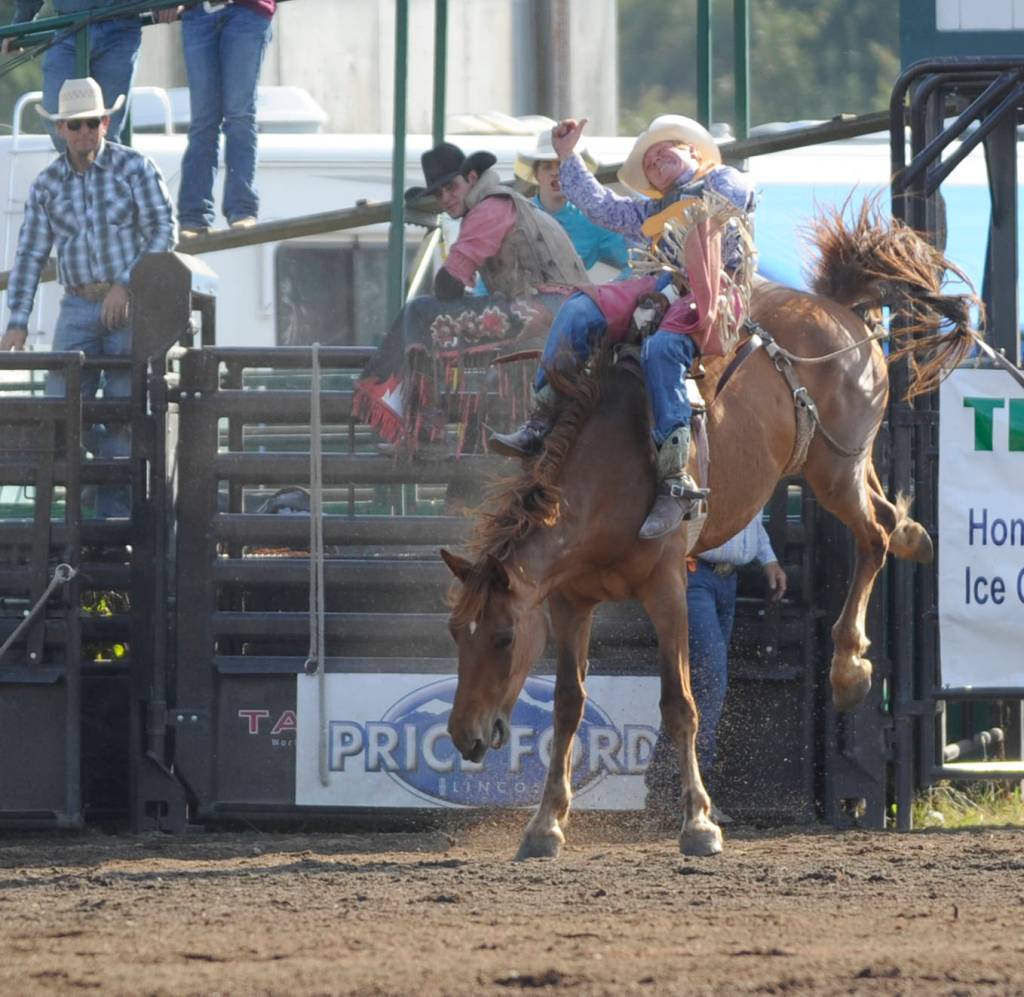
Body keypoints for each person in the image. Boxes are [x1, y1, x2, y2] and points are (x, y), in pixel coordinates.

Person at [491, 114, 756, 540]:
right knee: (580, 307)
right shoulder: (652, 209)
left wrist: (687, 211)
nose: (655, 161)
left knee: (663, 349)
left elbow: (730, 199)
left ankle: (675, 479)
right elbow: (602, 206)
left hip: (715, 288)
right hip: (665, 285)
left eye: (663, 151)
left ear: (693, 151)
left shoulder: (723, 181)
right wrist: (568, 155)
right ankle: (542, 419)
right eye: (649, 162)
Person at [0, 77, 177, 517]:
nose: (84, 132)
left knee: (121, 411)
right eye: (75, 124)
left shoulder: (134, 167)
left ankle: (109, 525)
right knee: (59, 415)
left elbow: (164, 229)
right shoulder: (47, 185)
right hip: (77, 303)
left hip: (128, 307)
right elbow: (30, 254)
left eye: (92, 122)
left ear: (105, 123)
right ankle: (86, 507)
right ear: (61, 129)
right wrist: (17, 321)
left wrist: (125, 283)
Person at [353, 141, 590, 453]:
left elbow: (448, 284)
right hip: (561, 312)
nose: (446, 198)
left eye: (450, 187)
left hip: (547, 312)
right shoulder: (505, 203)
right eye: (438, 194)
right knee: (428, 316)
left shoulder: (489, 209)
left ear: (472, 178)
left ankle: (423, 431)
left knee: (420, 314)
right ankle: (430, 431)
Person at [645, 511, 788, 821]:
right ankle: (684, 790)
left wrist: (768, 558)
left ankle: (669, 787)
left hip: (721, 578)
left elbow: (749, 515)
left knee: (702, 685)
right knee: (709, 681)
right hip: (695, 573)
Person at [176, 0, 276, 237]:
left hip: (248, 10)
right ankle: (194, 217)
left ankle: (241, 210)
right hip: (199, 12)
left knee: (239, 115)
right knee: (204, 120)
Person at [3, 0, 147, 149]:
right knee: (56, 117)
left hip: (120, 24)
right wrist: (20, 23)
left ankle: (98, 161)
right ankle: (80, 162)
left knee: (108, 125)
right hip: (68, 26)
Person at [514, 129, 630, 274]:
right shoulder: (516, 215)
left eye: (561, 164)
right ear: (536, 175)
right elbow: (496, 270)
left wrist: (613, 287)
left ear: (574, 172)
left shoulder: (593, 220)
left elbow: (633, 264)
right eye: (547, 167)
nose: (555, 172)